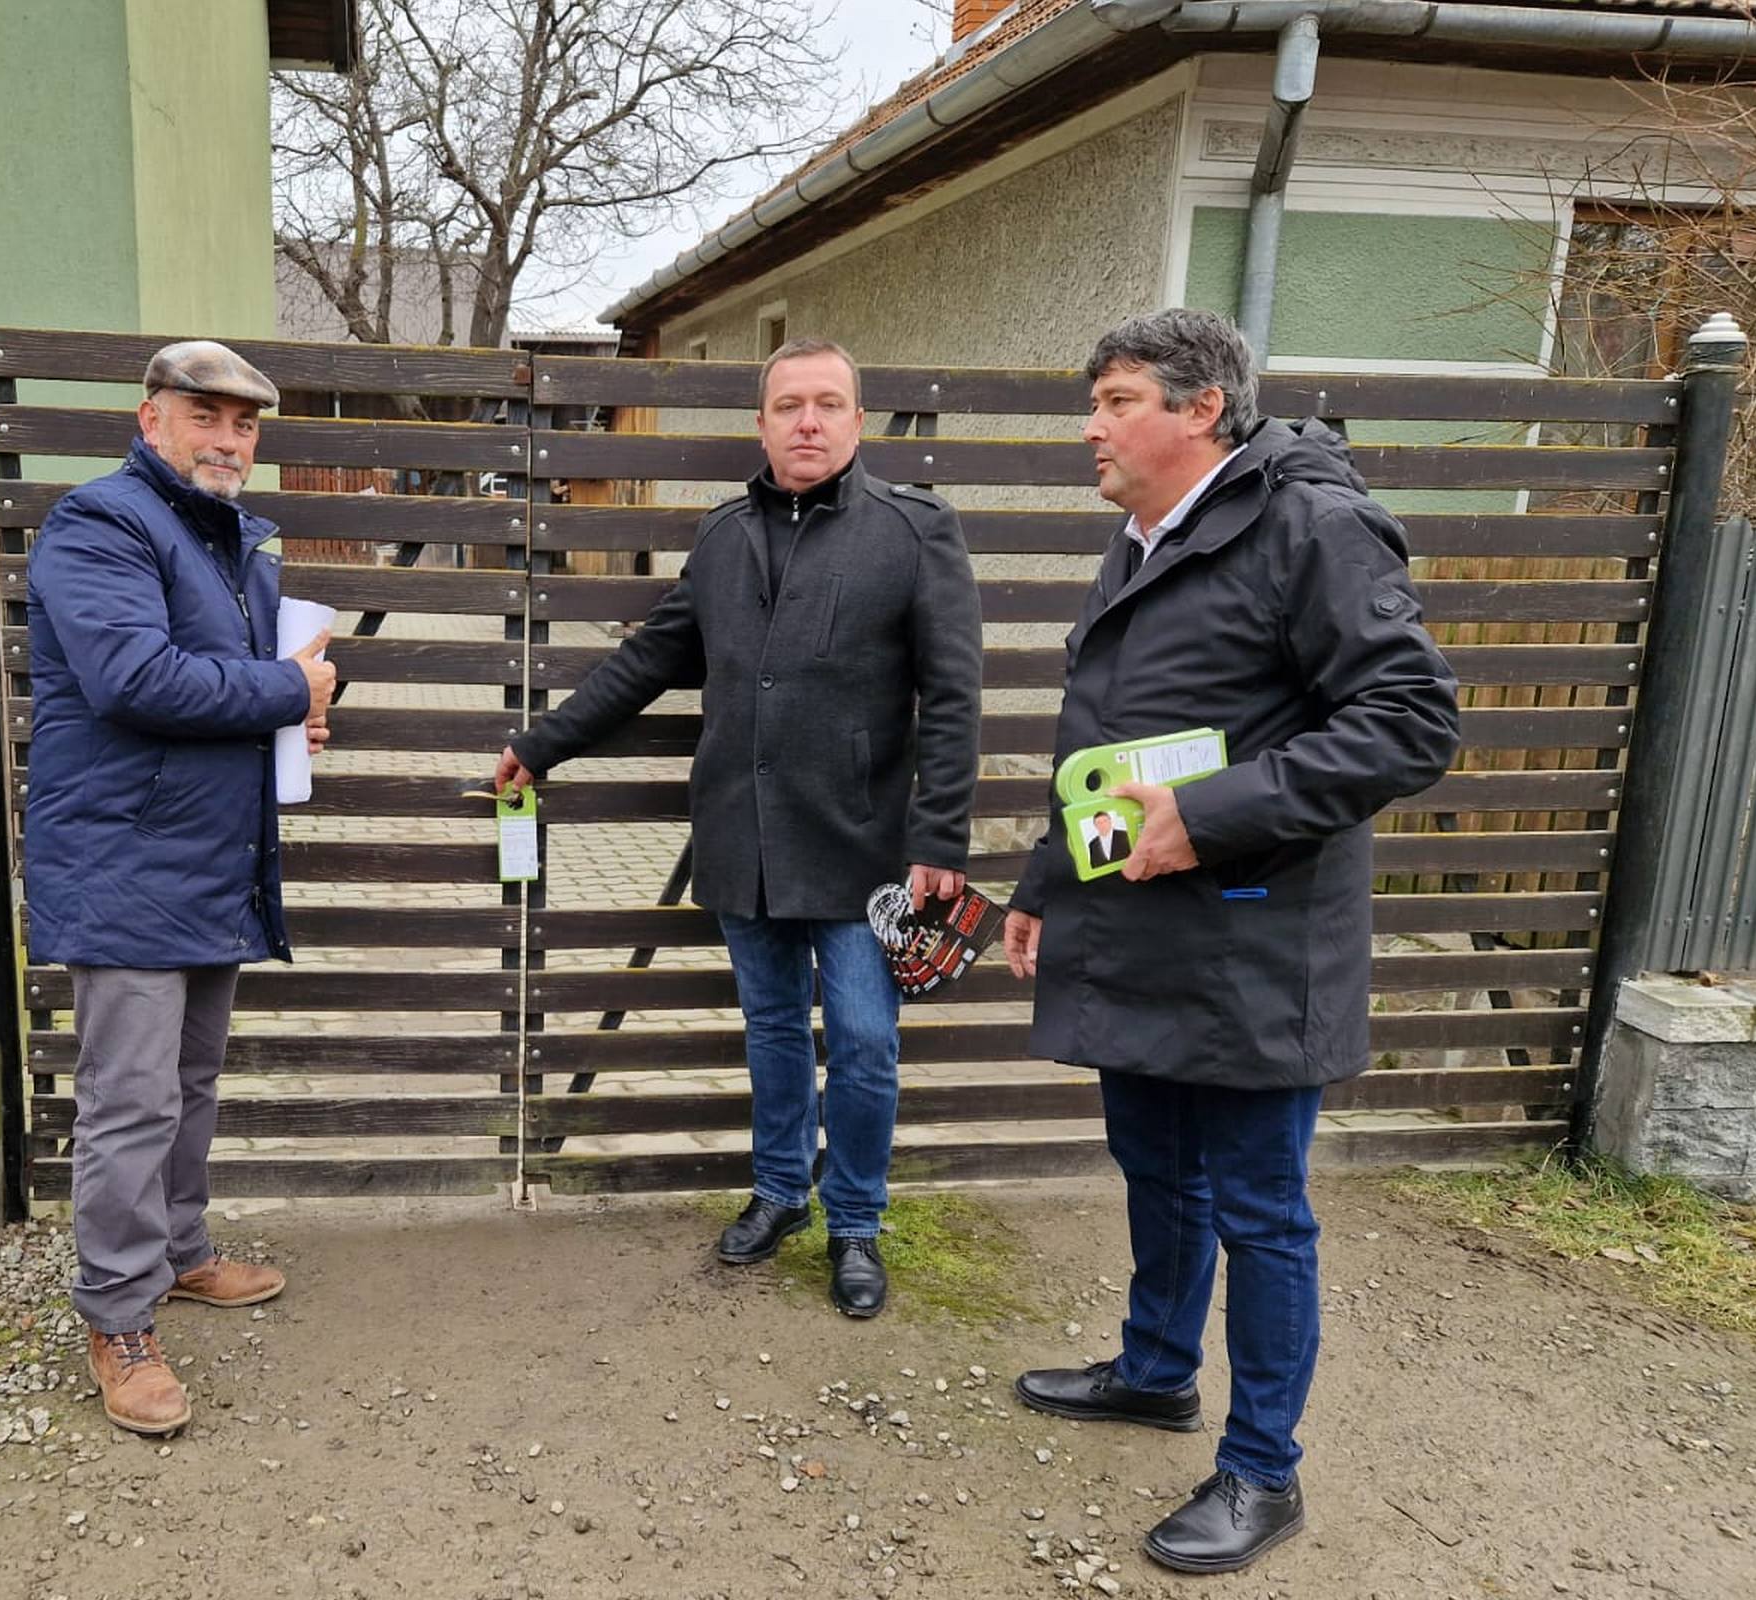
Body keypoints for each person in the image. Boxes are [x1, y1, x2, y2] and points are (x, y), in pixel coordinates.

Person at [1002, 308, 1459, 1572]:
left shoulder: (1309, 524)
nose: (1091, 426)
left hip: (1259, 941)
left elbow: (1411, 721)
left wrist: (1209, 818)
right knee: (1155, 1165)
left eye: (1115, 400)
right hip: (1142, 926)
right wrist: (1046, 878)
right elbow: (1103, 744)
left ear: (1200, 409)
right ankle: (1156, 1370)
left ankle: (1265, 1469)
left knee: (1260, 1208)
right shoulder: (1144, 538)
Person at [493, 338, 983, 1318]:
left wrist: (940, 841)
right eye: (790, 404)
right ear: (761, 423)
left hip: (862, 847)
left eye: (830, 403)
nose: (809, 420)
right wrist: (542, 745)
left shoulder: (915, 529)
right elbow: (646, 663)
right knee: (769, 1030)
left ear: (857, 418)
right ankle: (776, 1192)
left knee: (863, 1041)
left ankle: (855, 1221)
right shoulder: (722, 539)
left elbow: (956, 695)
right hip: (743, 837)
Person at [24, 340, 337, 1435]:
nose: (229, 438)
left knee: (191, 1081)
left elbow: (228, 686)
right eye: (207, 415)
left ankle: (180, 1251)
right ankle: (116, 1314)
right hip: (124, 864)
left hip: (207, 860)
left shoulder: (236, 540)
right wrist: (286, 685)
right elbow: (134, 679)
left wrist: (289, 704)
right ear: (150, 417)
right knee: (131, 1098)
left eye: (245, 425)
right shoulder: (100, 522)